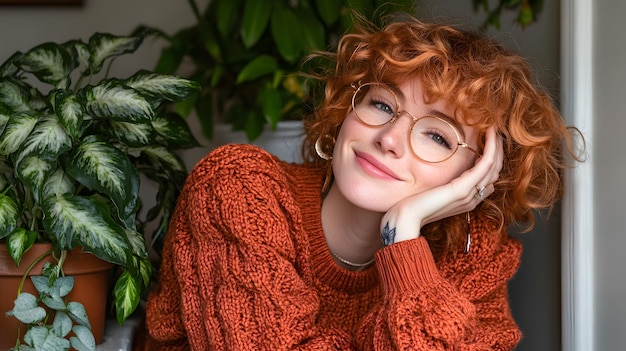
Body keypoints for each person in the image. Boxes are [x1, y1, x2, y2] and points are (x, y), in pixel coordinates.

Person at [139, 14, 582, 351]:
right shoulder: (239, 188)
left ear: (476, 174)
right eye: (383, 105)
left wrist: (403, 241)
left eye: (436, 135)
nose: (389, 138)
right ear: (346, 111)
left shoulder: (471, 251)